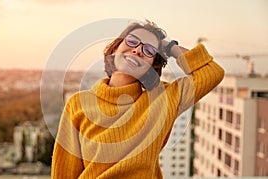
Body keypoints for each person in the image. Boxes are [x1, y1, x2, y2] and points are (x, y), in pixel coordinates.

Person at [51, 20, 224, 178]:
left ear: (152, 66)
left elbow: (212, 72)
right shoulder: (78, 103)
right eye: (132, 41)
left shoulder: (162, 99)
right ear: (114, 49)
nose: (137, 50)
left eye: (148, 50)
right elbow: (64, 172)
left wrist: (168, 47)